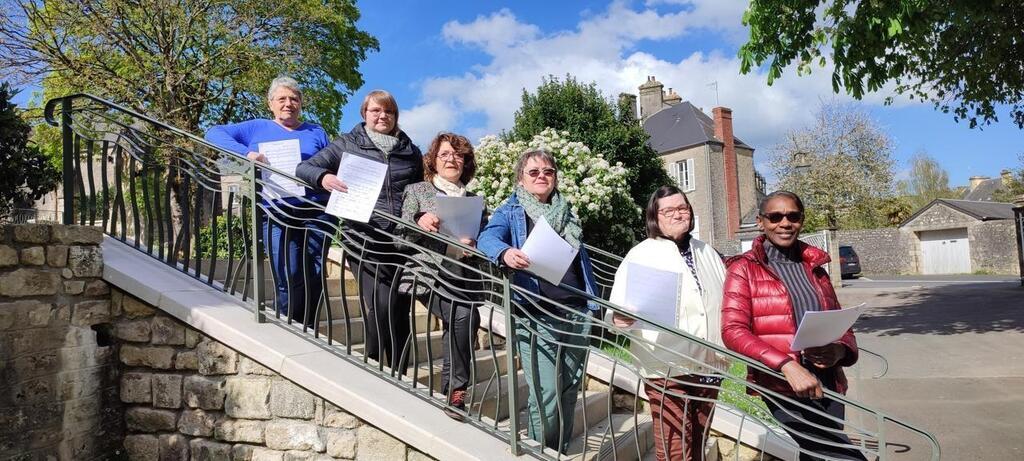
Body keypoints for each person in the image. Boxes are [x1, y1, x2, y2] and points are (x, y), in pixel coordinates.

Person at [720, 190, 866, 461]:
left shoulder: (816, 267)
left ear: (801, 220)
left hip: (828, 381)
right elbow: (733, 331)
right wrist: (786, 365)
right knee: (840, 454)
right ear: (760, 222)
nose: (784, 223)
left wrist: (841, 351)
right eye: (775, 217)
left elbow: (840, 321)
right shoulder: (743, 269)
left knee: (815, 456)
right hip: (781, 383)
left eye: (793, 216)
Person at [477, 149, 599, 452]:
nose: (542, 176)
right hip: (534, 312)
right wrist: (504, 253)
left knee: (569, 388)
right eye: (534, 172)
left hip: (576, 309)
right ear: (521, 178)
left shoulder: (567, 212)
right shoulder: (511, 211)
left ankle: (559, 449)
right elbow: (486, 239)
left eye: (548, 171)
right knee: (545, 390)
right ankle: (538, 451)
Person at [296, 90, 423, 373]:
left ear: (395, 116)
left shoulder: (410, 151)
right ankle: (376, 368)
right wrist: (324, 177)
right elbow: (304, 168)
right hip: (363, 237)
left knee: (400, 309)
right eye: (375, 111)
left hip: (401, 242)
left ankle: (400, 371)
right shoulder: (347, 144)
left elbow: (419, 193)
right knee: (379, 306)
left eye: (388, 111)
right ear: (364, 114)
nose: (382, 116)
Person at [608, 185, 728, 461]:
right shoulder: (641, 254)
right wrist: (620, 318)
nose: (678, 215)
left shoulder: (707, 251)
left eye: (682, 208)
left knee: (699, 440)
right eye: (669, 210)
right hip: (666, 367)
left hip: (710, 363)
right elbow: (615, 311)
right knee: (674, 448)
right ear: (655, 217)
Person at [205, 76, 332, 326]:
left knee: (315, 272)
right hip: (276, 212)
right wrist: (247, 153)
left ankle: (309, 327)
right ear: (270, 103)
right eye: (282, 99)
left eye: (294, 99)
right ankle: (288, 326)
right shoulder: (256, 127)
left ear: (301, 103)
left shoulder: (316, 131)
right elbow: (212, 132)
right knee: (288, 271)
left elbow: (331, 163)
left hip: (317, 211)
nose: (288, 103)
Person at [400, 132, 483, 421]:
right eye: (445, 154)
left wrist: (475, 245)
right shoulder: (418, 190)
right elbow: (400, 238)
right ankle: (457, 391)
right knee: (464, 317)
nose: (452, 160)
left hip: (464, 274)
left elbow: (484, 239)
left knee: (463, 319)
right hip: (429, 275)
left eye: (459, 155)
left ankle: (453, 391)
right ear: (433, 160)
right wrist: (419, 221)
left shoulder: (474, 200)